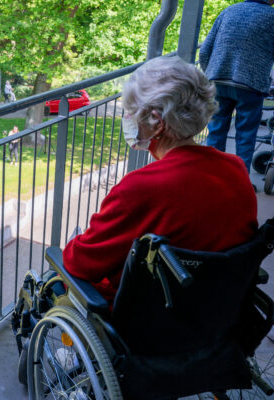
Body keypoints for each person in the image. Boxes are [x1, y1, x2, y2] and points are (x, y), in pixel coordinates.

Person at [63, 56, 258, 304]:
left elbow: (81, 263)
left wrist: (72, 247)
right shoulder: (235, 168)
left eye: (130, 112)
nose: (128, 119)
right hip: (215, 313)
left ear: (156, 121)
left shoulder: (139, 189)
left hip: (149, 320)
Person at [199, 0, 274, 173]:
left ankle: (213, 178)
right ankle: (239, 181)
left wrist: (210, 74)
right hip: (250, 84)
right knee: (245, 135)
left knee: (216, 131)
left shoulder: (228, 11)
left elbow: (204, 51)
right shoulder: (271, 17)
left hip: (217, 80)